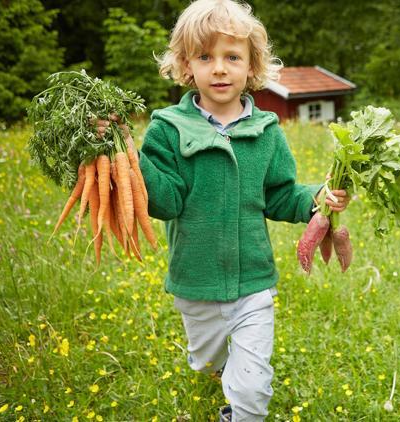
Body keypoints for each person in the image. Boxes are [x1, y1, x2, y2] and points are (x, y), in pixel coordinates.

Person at [97, 0, 349, 420]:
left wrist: (317, 198)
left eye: (232, 56)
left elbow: (280, 195)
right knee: (208, 362)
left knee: (251, 381)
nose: (218, 68)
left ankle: (242, 410)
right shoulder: (168, 128)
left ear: (251, 66)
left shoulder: (267, 131)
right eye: (205, 57)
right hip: (195, 281)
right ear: (185, 65)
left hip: (253, 282)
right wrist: (129, 155)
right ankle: (216, 368)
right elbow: (165, 201)